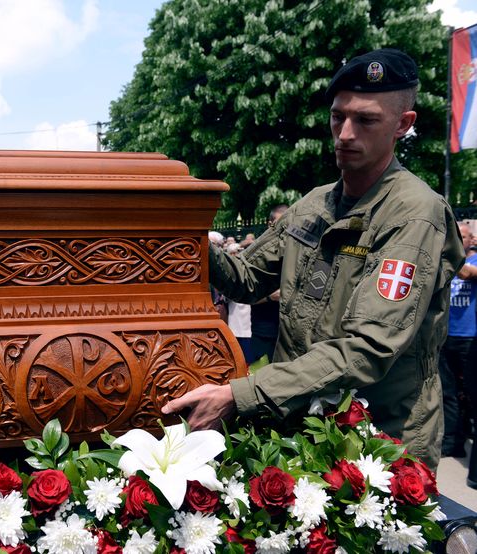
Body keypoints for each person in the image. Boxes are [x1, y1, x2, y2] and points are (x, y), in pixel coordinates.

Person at [163, 49, 465, 468]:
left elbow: (368, 348)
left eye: (366, 120)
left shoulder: (414, 214)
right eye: (338, 117)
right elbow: (247, 279)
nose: (345, 134)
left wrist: (241, 394)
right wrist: (180, 230)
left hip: (376, 441)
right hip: (302, 423)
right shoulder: (314, 205)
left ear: (403, 124)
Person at [439, 222, 477, 459]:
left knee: (470, 393)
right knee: (448, 392)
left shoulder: (469, 262)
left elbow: (466, 273)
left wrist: (444, 250)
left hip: (469, 338)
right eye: (456, 236)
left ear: (472, 240)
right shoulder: (447, 261)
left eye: (462, 236)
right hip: (447, 336)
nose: (459, 240)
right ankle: (452, 442)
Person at [249, 204, 288, 363]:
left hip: (288, 334)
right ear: (270, 224)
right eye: (281, 224)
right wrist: (271, 297)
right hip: (264, 334)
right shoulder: (258, 254)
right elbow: (245, 297)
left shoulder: (298, 253)